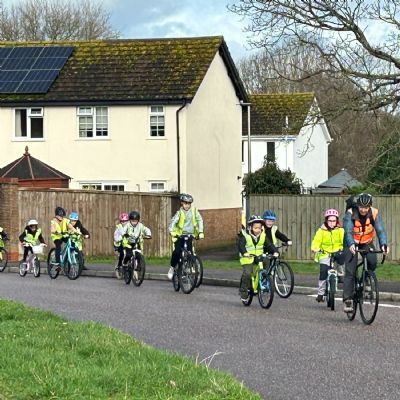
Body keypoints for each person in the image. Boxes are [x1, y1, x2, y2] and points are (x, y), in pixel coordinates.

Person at [342, 193, 389, 312]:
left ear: (370, 206)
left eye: (366, 207)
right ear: (357, 205)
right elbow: (347, 231)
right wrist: (351, 244)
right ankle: (348, 300)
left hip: (366, 242)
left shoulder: (374, 213)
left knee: (372, 261)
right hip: (350, 242)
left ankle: (366, 278)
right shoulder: (350, 213)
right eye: (361, 207)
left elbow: (380, 230)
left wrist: (383, 244)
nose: (363, 210)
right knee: (350, 270)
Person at [238, 215, 278, 301]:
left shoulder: (263, 235)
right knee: (247, 273)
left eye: (259, 228)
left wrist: (275, 251)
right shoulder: (244, 235)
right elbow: (241, 245)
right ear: (250, 227)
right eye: (255, 228)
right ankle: (243, 291)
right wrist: (245, 253)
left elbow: (269, 244)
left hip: (259, 256)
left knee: (266, 262)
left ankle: (264, 281)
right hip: (247, 258)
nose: (258, 230)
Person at [311, 209, 345, 302]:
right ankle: (321, 293)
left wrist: (343, 248)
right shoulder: (321, 231)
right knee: (323, 271)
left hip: (337, 251)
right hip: (324, 253)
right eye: (330, 221)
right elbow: (316, 241)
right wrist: (315, 248)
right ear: (326, 220)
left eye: (334, 221)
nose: (332, 223)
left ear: (337, 221)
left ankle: (340, 275)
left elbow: (344, 241)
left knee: (341, 258)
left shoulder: (340, 230)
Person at [168, 193, 204, 280]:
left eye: (189, 203)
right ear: (182, 203)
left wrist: (200, 232)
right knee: (177, 252)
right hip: (179, 236)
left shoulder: (194, 211)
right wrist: (172, 232)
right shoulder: (179, 213)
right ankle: (172, 267)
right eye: (185, 203)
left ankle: (190, 267)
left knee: (190, 252)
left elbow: (200, 220)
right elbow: (173, 223)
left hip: (190, 234)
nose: (187, 205)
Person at [113, 212, 129, 278]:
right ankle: (119, 266)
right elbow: (115, 237)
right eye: (122, 221)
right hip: (119, 244)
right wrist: (121, 238)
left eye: (125, 221)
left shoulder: (130, 227)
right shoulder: (118, 228)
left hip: (127, 244)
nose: (123, 223)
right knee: (122, 254)